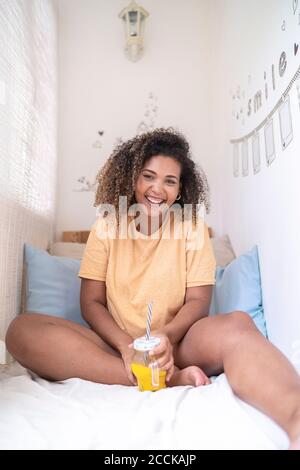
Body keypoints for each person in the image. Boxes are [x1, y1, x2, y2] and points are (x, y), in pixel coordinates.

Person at [5, 128, 300, 449]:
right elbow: (91, 302)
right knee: (21, 329)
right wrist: (126, 348)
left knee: (240, 324)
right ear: (131, 178)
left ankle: (295, 421)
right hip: (116, 346)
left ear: (181, 188)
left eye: (170, 181)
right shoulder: (107, 226)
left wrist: (167, 337)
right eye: (148, 176)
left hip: (179, 343)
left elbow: (199, 300)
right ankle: (166, 379)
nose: (157, 189)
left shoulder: (192, 228)